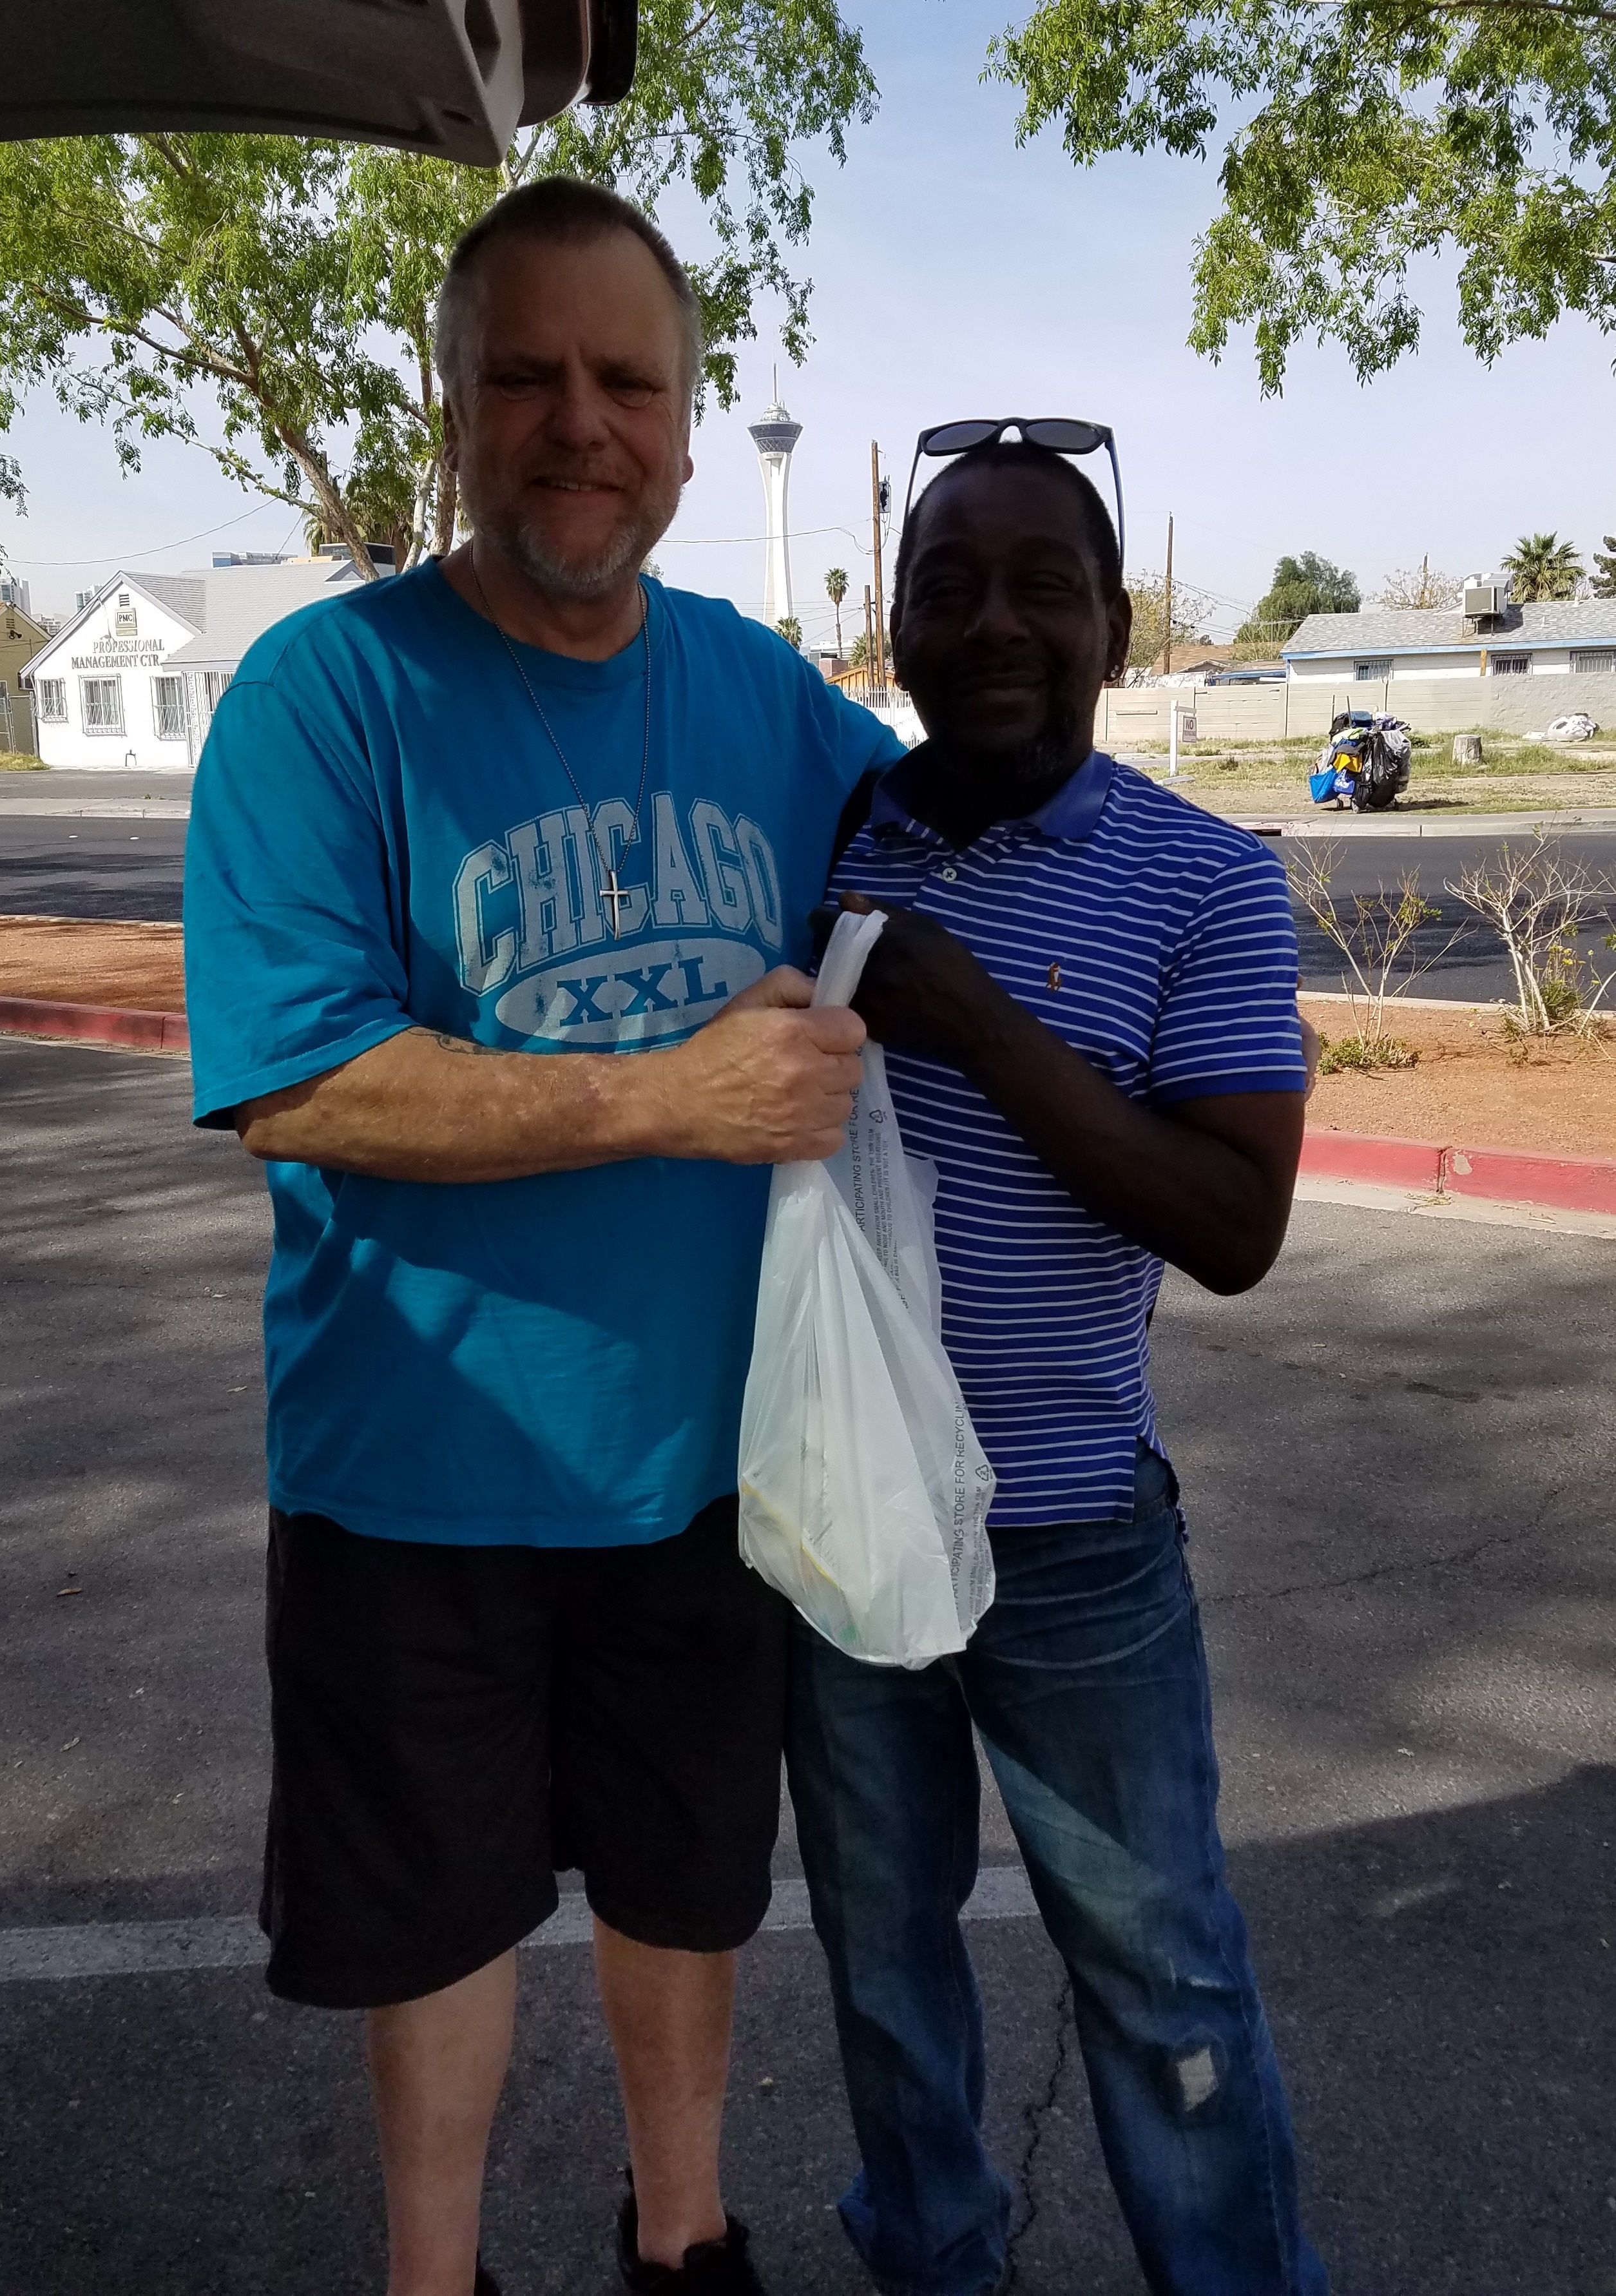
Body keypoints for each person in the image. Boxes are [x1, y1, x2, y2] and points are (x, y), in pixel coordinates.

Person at [183, 178, 899, 2296]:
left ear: (685, 422)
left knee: (688, 1889)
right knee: (436, 1924)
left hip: (701, 1463)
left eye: (627, 383)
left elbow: (954, 853)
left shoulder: (767, 698)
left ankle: (685, 2237)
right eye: (527, 377)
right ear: (453, 407)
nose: (582, 424)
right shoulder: (328, 694)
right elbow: (299, 1077)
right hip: (417, 1467)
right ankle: (437, 2274)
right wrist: (675, 1094)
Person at [785, 435, 1328, 2296]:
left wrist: (975, 1020)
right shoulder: (827, 839)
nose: (995, 624)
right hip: (844, 1528)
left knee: (1165, 1971)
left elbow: (1235, 1225)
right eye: (948, 587)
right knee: (882, 1959)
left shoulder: (1204, 880)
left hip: (1077, 1535)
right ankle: (936, 2261)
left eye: (1044, 587)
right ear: (898, 628)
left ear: (1115, 625)